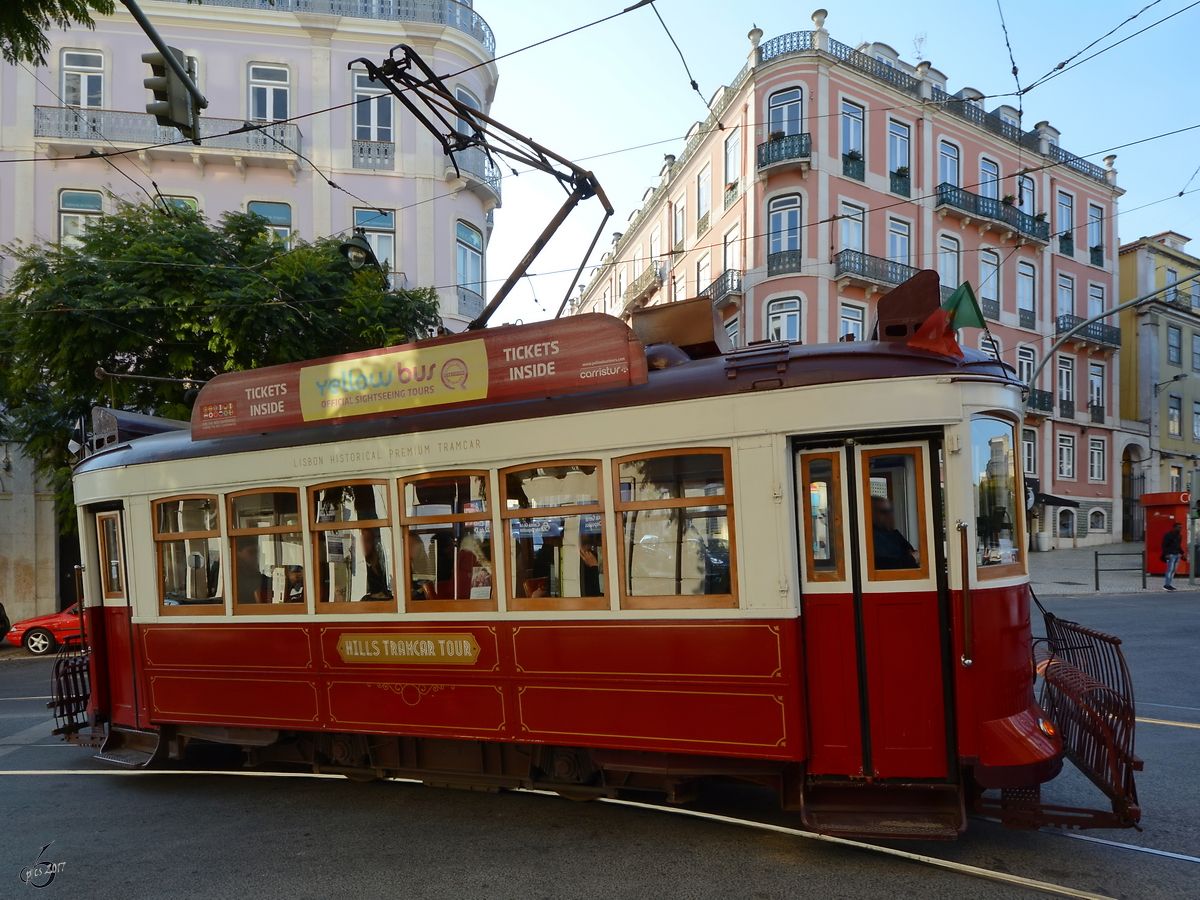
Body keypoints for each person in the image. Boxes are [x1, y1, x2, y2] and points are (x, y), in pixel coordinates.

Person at [870, 496, 919, 569]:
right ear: (871, 513)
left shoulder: (894, 536)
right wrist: (912, 559)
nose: (889, 515)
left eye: (890, 511)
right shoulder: (868, 537)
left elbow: (913, 553)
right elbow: (882, 565)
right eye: (883, 511)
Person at [1161, 521, 1184, 592]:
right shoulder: (1168, 535)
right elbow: (1164, 545)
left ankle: (1169, 584)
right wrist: (1166, 554)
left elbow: (1178, 546)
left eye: (1181, 528)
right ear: (1174, 528)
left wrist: (1182, 553)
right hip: (1170, 554)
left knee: (1173, 570)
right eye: (1179, 528)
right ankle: (1167, 585)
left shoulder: (1179, 536)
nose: (1180, 529)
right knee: (1169, 570)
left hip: (1177, 554)